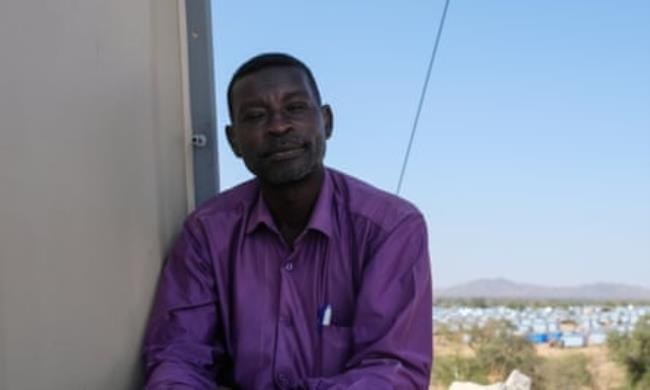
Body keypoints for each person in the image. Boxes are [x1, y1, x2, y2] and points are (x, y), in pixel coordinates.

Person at [143, 53, 433, 389]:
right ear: (233, 140)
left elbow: (393, 372)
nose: (279, 126)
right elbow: (177, 358)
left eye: (295, 108)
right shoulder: (206, 234)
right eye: (255, 116)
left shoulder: (391, 228)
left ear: (326, 121)